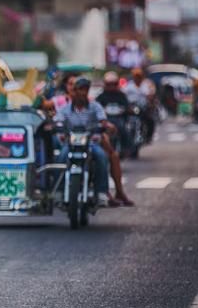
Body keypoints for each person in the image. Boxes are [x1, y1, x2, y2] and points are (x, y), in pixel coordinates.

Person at [54, 78, 115, 207]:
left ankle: (101, 193)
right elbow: (58, 121)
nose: (81, 93)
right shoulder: (65, 109)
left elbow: (103, 121)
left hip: (90, 143)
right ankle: (59, 192)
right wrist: (56, 128)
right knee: (61, 157)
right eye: (79, 90)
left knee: (102, 157)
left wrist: (106, 126)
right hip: (70, 144)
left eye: (85, 90)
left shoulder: (95, 107)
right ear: (73, 92)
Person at [96, 71, 130, 156]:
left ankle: (126, 148)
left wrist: (125, 110)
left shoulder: (121, 95)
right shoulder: (101, 96)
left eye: (113, 84)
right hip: (106, 119)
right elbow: (97, 107)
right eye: (109, 84)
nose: (111, 87)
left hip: (119, 118)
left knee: (123, 129)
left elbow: (127, 106)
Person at [124, 68, 156, 143]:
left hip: (143, 107)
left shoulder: (146, 85)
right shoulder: (129, 86)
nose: (137, 78)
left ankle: (148, 137)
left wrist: (150, 102)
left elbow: (150, 95)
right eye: (136, 76)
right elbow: (123, 95)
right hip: (131, 108)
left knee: (150, 120)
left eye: (139, 76)